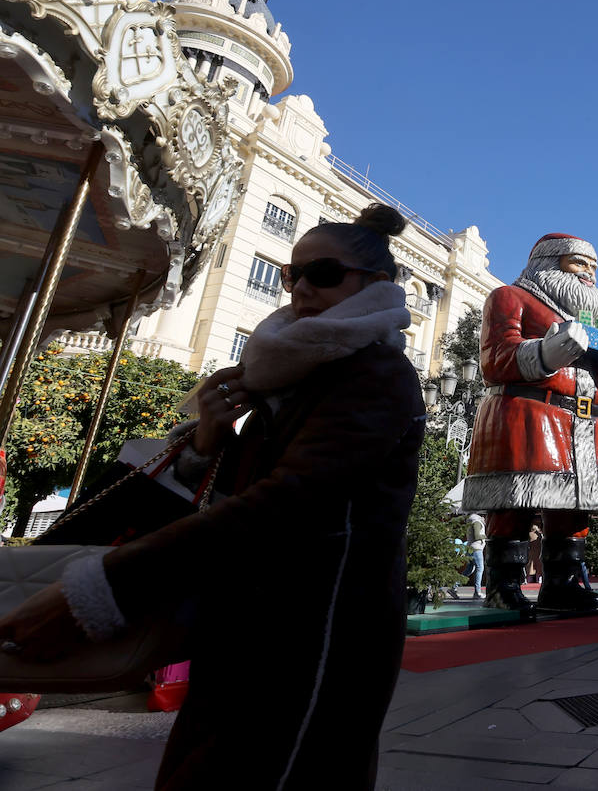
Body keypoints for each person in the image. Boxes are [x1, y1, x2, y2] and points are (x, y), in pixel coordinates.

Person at [0, 203, 425, 788]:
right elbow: (243, 495)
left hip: (320, 624)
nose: (301, 287)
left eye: (323, 274)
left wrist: (108, 584)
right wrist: (209, 439)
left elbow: (290, 503)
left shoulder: (376, 373)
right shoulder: (290, 372)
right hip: (252, 618)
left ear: (375, 287)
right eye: (290, 273)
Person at [462, 234, 598, 614]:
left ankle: (561, 585)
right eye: (579, 264)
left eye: (594, 268)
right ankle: (504, 586)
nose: (590, 275)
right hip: (531, 413)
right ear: (548, 263)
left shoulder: (593, 323)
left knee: (574, 510)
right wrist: (546, 351)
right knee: (514, 503)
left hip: (585, 421)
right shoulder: (509, 298)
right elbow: (494, 360)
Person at [465, 511, 487, 600]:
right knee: (480, 568)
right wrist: (486, 536)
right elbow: (477, 535)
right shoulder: (477, 521)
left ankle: (453, 586)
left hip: (470, 547)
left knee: (469, 569)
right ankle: (477, 592)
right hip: (476, 548)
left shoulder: (470, 520)